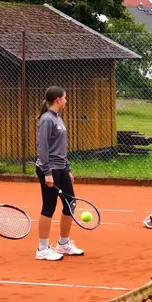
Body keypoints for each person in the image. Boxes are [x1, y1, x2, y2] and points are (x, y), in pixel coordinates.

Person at [34, 86, 85, 261]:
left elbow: (61, 148)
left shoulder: (57, 118)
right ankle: (42, 248)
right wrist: (47, 172)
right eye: (65, 98)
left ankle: (63, 244)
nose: (66, 100)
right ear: (58, 100)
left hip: (61, 167)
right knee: (49, 206)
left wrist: (67, 169)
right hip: (49, 169)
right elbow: (42, 147)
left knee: (70, 203)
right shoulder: (47, 120)